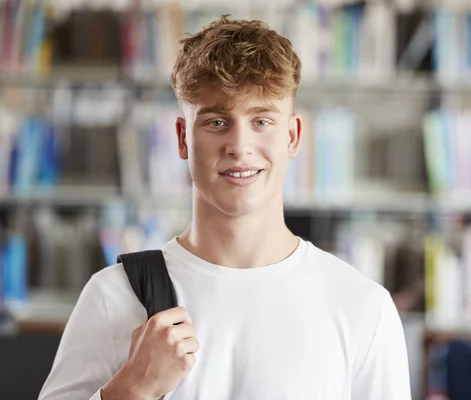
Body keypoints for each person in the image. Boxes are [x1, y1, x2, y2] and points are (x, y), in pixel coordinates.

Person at [39, 15, 412, 400]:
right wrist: (131, 390)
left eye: (262, 120)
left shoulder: (361, 306)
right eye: (217, 121)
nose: (240, 145)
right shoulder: (114, 296)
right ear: (183, 139)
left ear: (293, 135)